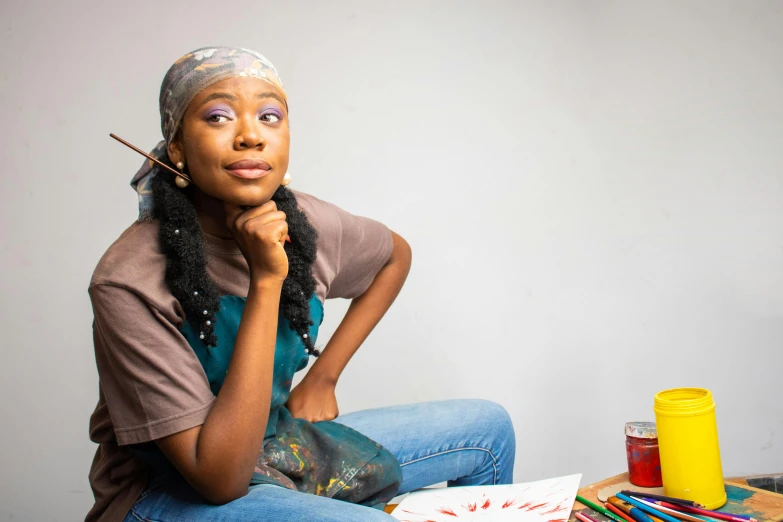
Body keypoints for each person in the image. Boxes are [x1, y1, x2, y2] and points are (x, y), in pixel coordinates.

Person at [86, 46, 516, 522]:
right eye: (219, 117)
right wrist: (268, 279)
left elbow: (395, 255)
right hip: (168, 489)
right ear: (177, 148)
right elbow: (219, 480)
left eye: (269, 116)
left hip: (277, 442)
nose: (250, 136)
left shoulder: (305, 223)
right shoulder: (128, 280)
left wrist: (323, 376)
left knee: (488, 430)